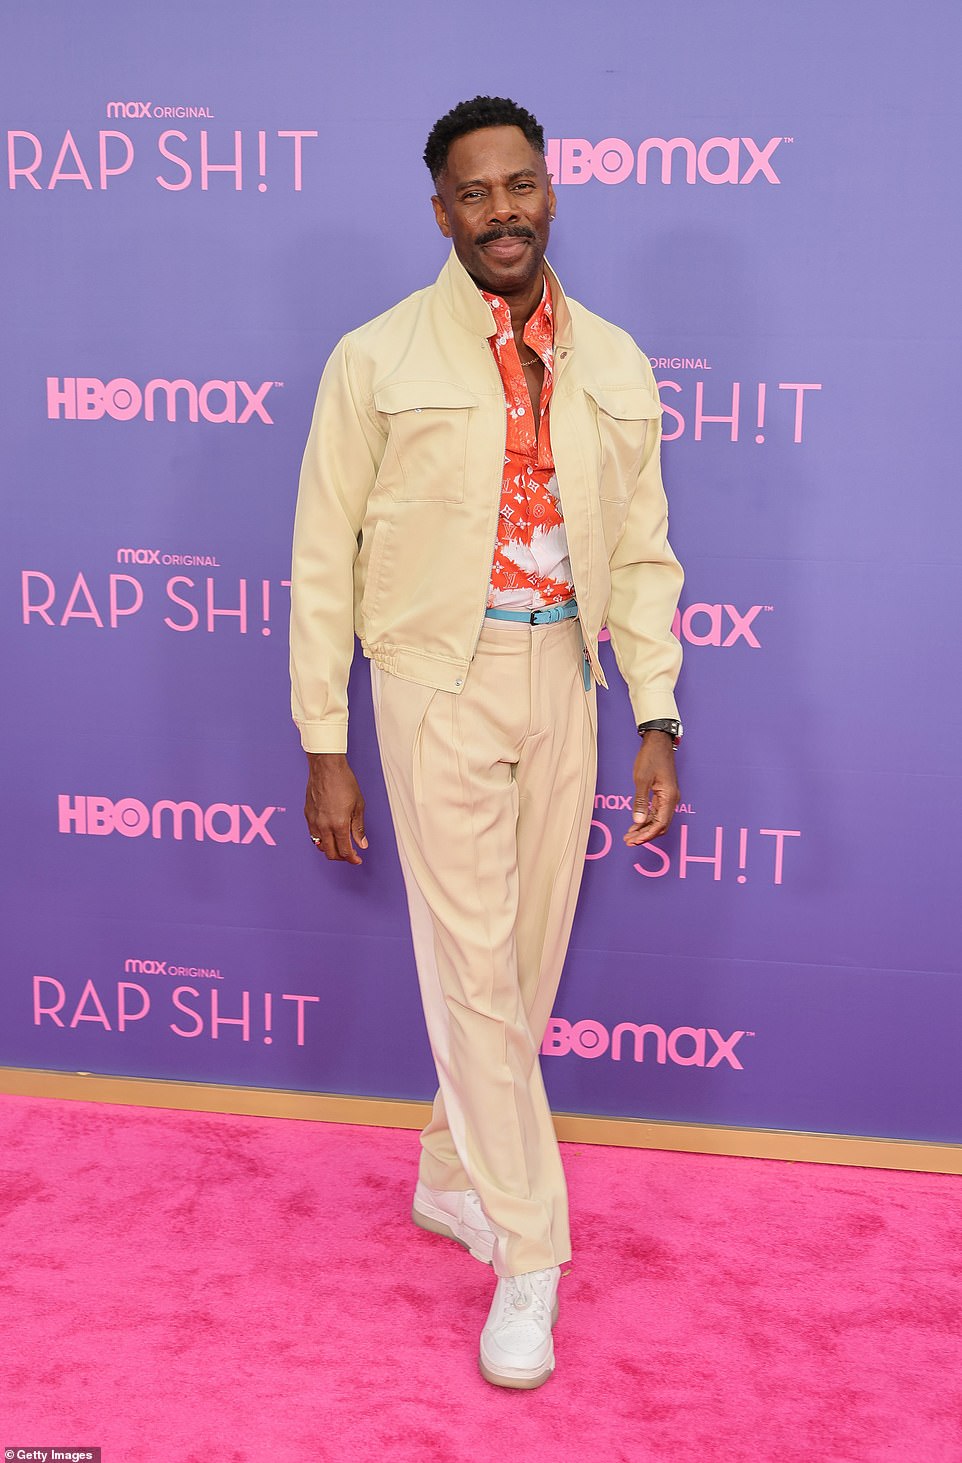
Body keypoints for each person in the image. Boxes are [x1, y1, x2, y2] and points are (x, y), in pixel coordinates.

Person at [289, 95, 683, 1390]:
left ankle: (450, 1172)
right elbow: (320, 561)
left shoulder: (614, 361)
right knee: (468, 965)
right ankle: (530, 1253)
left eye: (519, 186)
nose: (500, 211)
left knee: (521, 963)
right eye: (473, 193)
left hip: (563, 676)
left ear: (549, 191)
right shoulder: (378, 358)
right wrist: (324, 739)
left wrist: (656, 713)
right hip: (432, 680)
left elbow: (640, 556)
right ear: (441, 211)